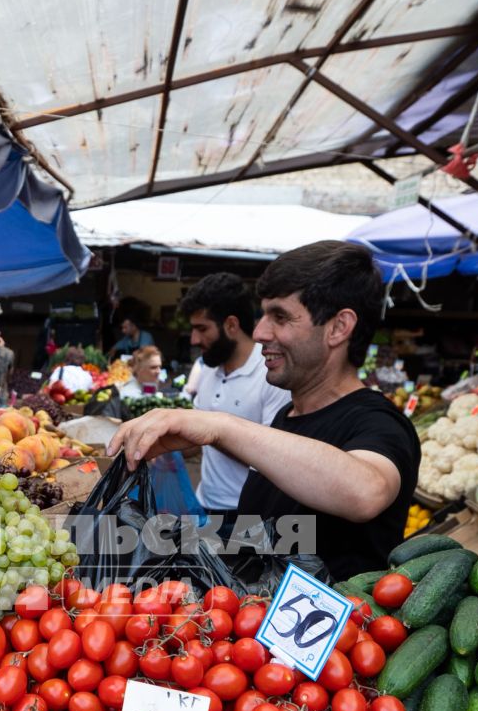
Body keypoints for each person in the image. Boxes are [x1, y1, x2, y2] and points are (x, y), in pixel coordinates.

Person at [108, 241, 419, 580]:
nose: (258, 333)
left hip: (333, 631)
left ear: (338, 327)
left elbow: (366, 491)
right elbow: (271, 535)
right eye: (263, 315)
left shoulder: (380, 424)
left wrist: (222, 427)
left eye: (280, 317)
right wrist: (166, 539)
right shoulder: (286, 419)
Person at [177, 272, 290, 521]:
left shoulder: (272, 377)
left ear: (231, 325)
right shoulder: (207, 370)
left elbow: (274, 461)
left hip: (248, 518)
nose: (194, 339)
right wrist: (165, 448)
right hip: (202, 506)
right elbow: (197, 442)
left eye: (202, 329)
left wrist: (216, 433)